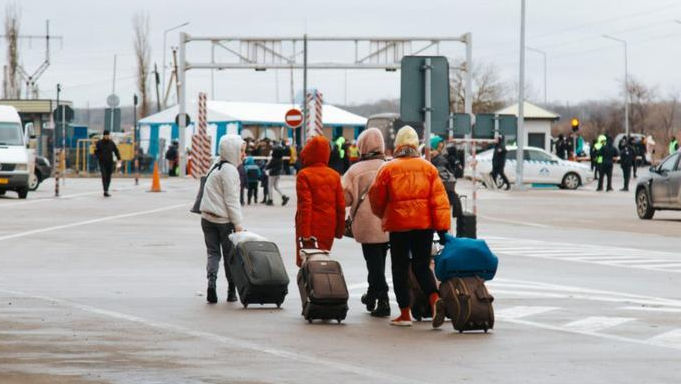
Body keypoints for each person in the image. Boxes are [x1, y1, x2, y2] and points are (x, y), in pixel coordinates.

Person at [369, 126, 451, 328]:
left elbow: (376, 199)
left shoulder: (388, 168)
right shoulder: (429, 168)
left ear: (397, 145)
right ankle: (434, 300)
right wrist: (442, 230)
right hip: (424, 226)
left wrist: (384, 215)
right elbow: (439, 201)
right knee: (422, 265)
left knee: (400, 267)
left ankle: (405, 314)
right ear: (416, 145)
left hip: (399, 226)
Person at [341, 128, 390, 318]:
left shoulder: (355, 171)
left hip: (367, 225)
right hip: (388, 223)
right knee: (379, 262)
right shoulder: (389, 166)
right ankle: (372, 296)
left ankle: (383, 299)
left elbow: (344, 198)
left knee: (373, 263)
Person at [199, 134, 246, 304]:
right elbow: (232, 200)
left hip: (206, 218)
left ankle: (211, 284)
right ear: (232, 151)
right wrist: (238, 224)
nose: (243, 154)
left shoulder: (215, 166)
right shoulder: (230, 171)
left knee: (212, 253)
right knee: (229, 256)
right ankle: (231, 290)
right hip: (223, 222)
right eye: (241, 151)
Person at [295, 135, 345, 267]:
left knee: (308, 265)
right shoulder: (334, 175)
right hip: (328, 227)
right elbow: (340, 206)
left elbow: (305, 205)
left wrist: (305, 233)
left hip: (310, 228)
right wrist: (339, 231)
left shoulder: (304, 175)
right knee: (322, 263)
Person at [431, 136, 462, 218]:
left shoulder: (440, 160)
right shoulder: (441, 158)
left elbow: (445, 178)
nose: (440, 150)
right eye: (439, 148)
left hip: (440, 195)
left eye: (441, 148)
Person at [94, 130, 120, 197]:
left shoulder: (111, 143)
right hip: (102, 162)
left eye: (108, 135)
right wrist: (99, 157)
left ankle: (106, 190)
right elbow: (96, 152)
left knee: (108, 177)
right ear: (104, 135)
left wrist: (119, 158)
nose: (107, 136)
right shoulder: (99, 143)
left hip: (110, 162)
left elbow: (116, 151)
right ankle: (105, 190)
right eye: (105, 135)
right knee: (104, 176)